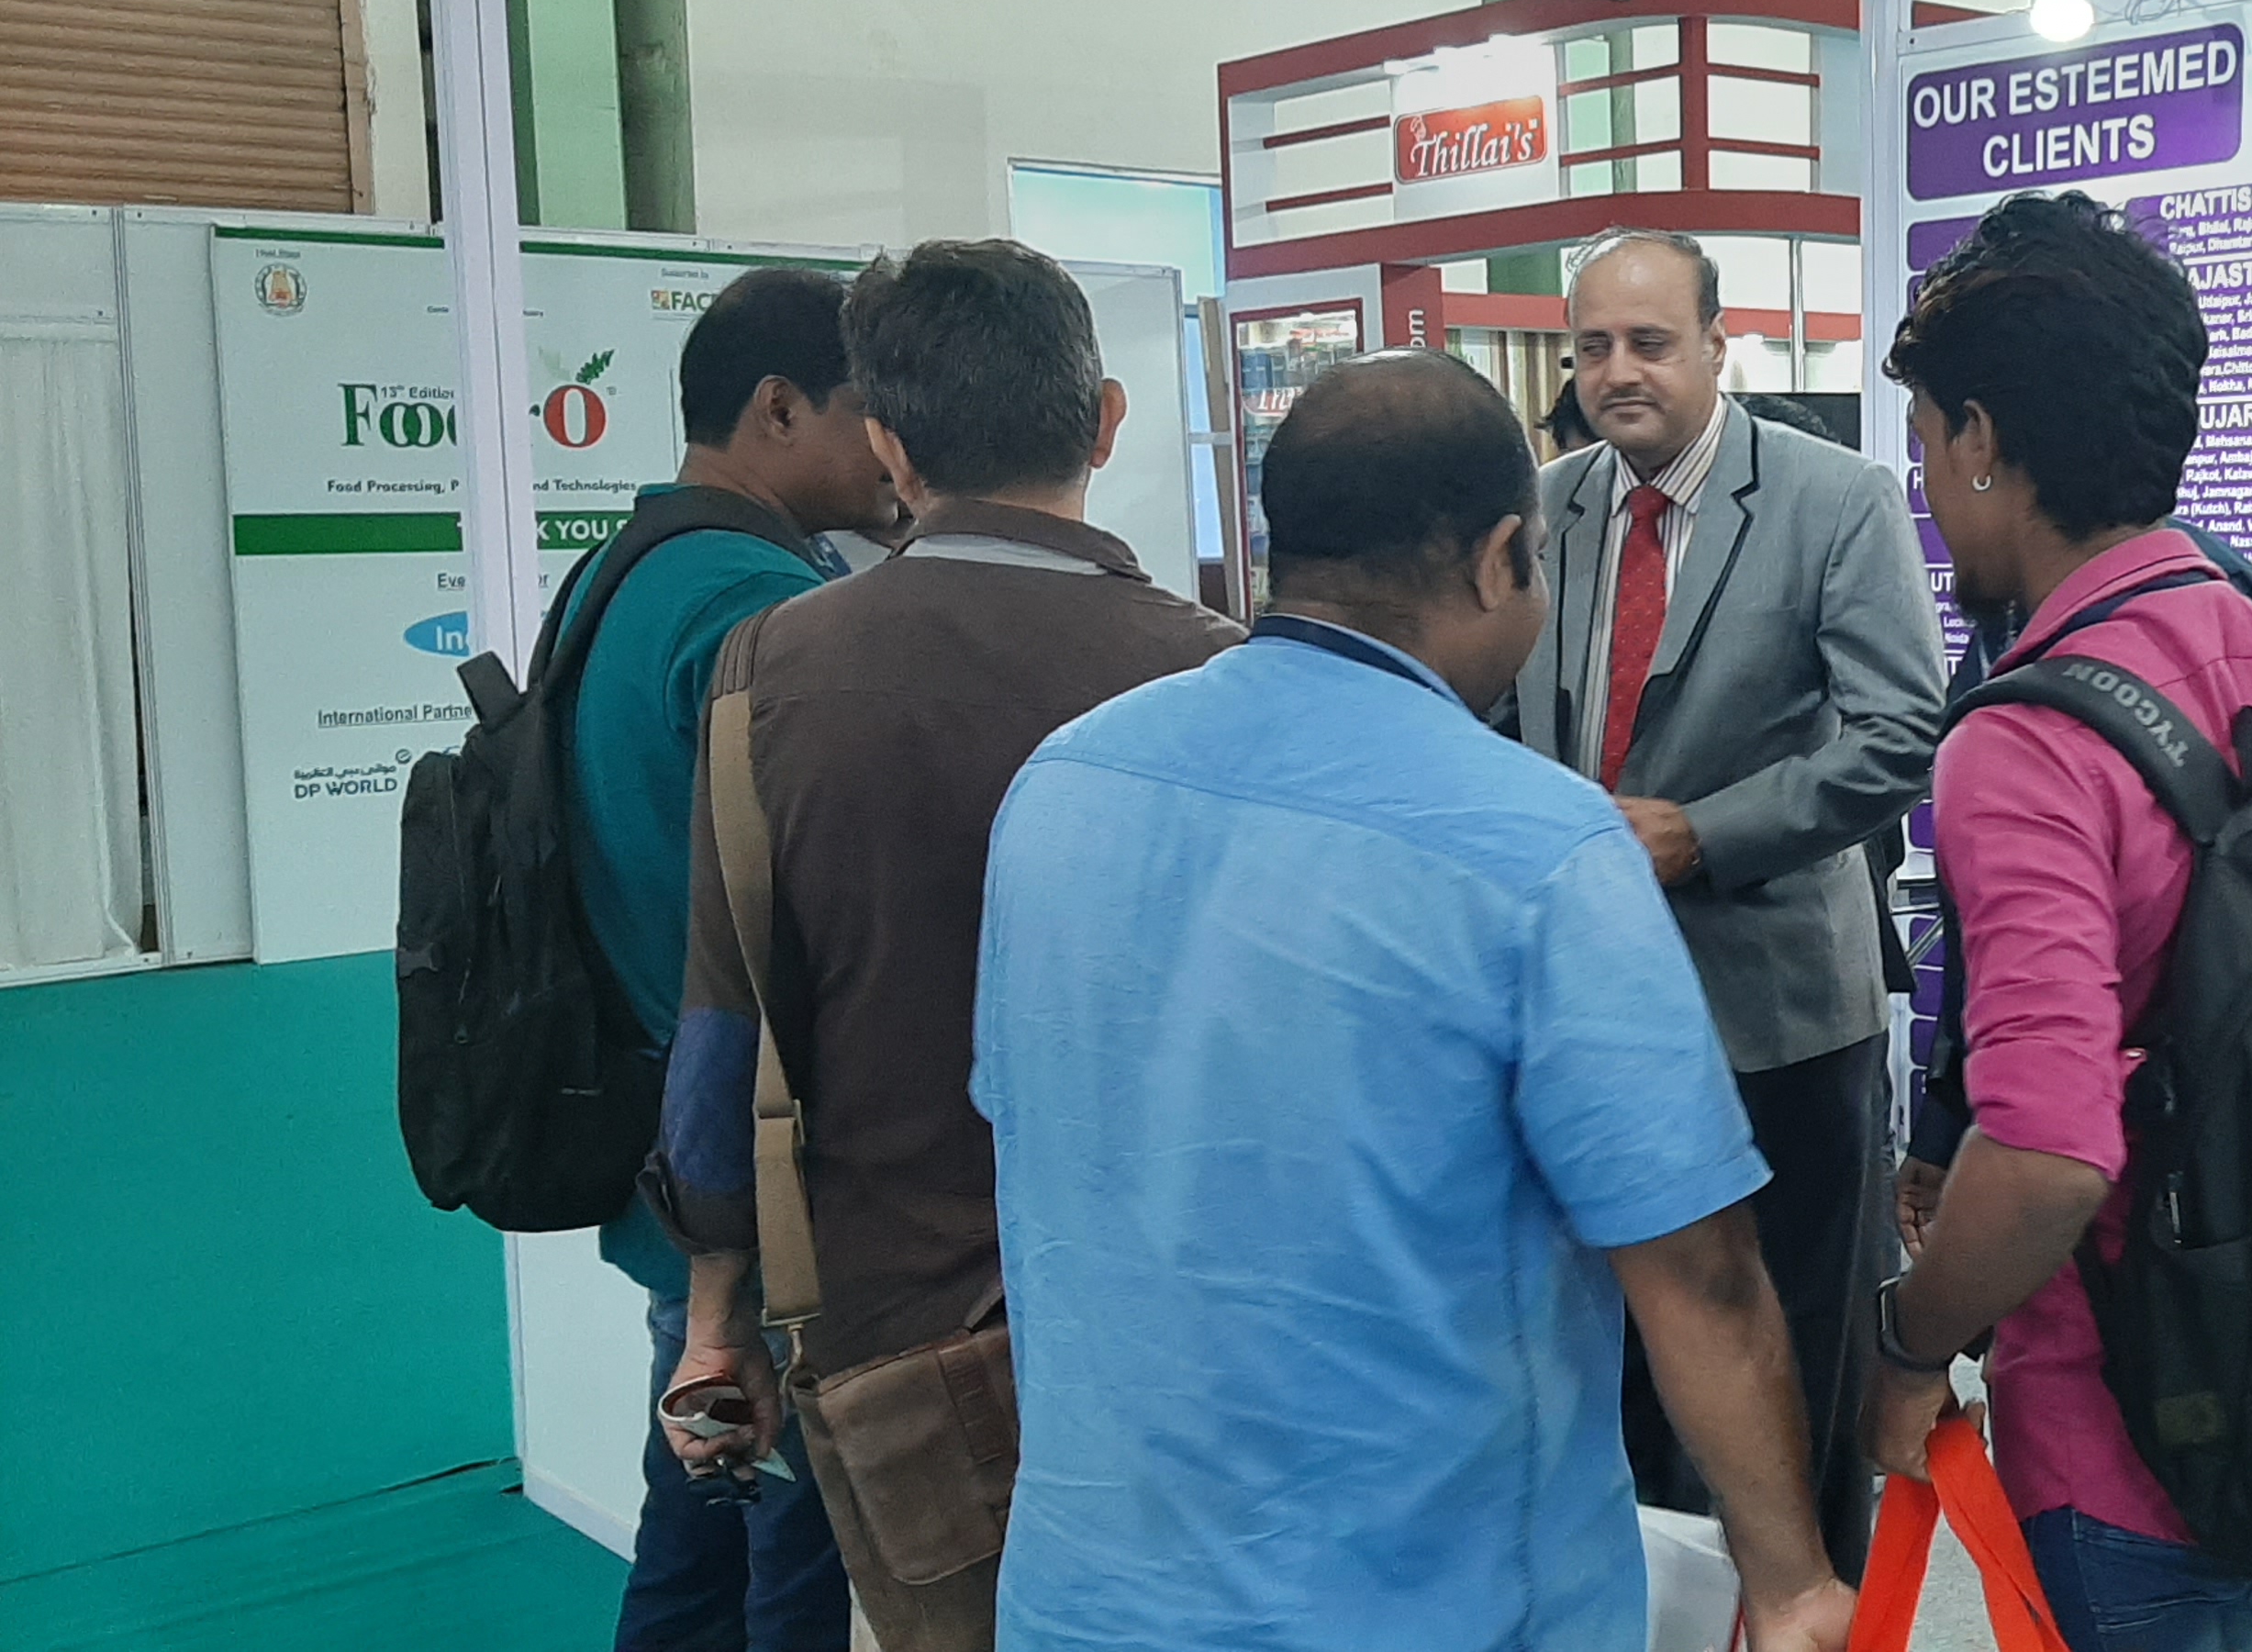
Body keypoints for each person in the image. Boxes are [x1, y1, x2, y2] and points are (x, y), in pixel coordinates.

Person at [968, 348, 1856, 1652]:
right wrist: (1790, 1583)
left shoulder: (1066, 781)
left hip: (1091, 1595)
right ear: (1503, 559)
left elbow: (1043, 1130)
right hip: (1432, 1602)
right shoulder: (1539, 847)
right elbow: (1698, 1275)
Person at [1859, 192, 2252, 1652]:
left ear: (1981, 438)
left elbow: (2050, 1154)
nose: (1929, 487)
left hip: (2117, 1434)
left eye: (1927, 443)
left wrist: (1910, 1343)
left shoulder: (2025, 742)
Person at [645, 240, 1242, 1649]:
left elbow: (728, 1027)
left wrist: (717, 1311)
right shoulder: (1221, 671)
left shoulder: (772, 670)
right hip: (1182, 1314)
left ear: (891, 446)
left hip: (899, 1339)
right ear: (1106, 419)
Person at [1505, 227, 1947, 1574]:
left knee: (1795, 1349)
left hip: (1777, 1014)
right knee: (1624, 1349)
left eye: (1649, 343)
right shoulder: (1546, 506)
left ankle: (1809, 1605)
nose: (1616, 373)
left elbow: (1902, 733)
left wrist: (1705, 836)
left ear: (1715, 344)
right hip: (1583, 1006)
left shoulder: (1834, 499)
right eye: (1592, 347)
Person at [566, 263, 892, 1652]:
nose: (895, 447)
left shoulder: (626, 568)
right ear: (778, 409)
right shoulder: (758, 606)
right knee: (789, 1566)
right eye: (871, 409)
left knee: (698, 1541)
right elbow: (788, 919)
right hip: (762, 1180)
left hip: (682, 1153)